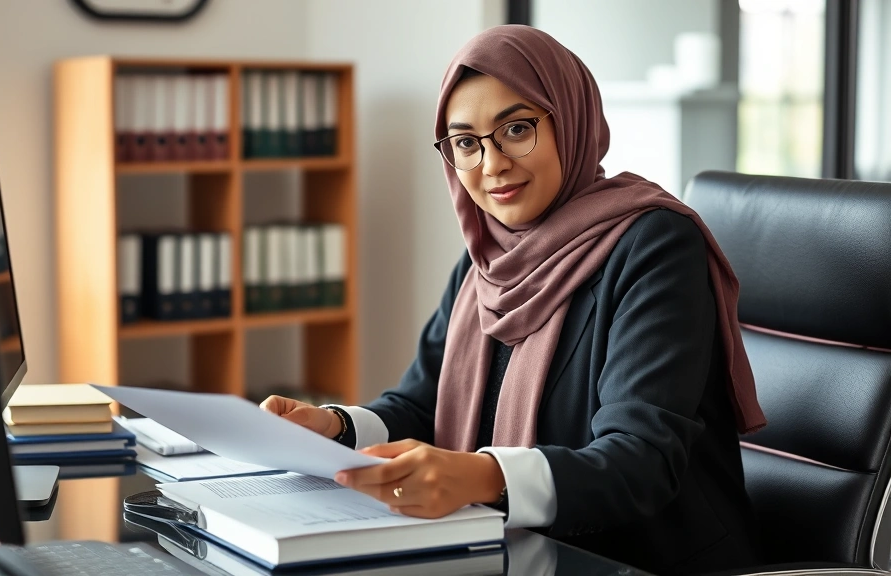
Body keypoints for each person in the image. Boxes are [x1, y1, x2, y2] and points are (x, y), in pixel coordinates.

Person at [260, 24, 766, 575]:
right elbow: (421, 404)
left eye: (517, 129)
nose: (492, 164)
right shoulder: (487, 258)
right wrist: (335, 428)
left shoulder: (655, 245)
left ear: (570, 119)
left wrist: (482, 477)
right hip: (510, 555)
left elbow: (640, 460)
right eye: (465, 143)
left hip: (638, 560)